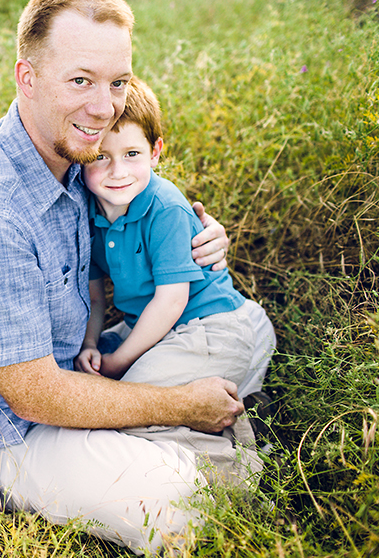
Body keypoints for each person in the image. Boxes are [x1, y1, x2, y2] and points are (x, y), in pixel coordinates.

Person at [0, 0, 275, 556]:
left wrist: (199, 235)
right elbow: (34, 396)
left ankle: (197, 436)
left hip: (77, 371)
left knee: (247, 347)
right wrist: (180, 403)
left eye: (118, 82)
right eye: (81, 81)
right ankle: (195, 437)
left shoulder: (73, 152)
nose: (104, 107)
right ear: (27, 77)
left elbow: (143, 204)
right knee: (189, 504)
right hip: (9, 432)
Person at [75, 76, 273, 482]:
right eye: (101, 157)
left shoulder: (164, 207)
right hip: (152, 329)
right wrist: (93, 344)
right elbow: (95, 300)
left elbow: (171, 301)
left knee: (130, 406)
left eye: (132, 153)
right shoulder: (89, 215)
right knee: (84, 387)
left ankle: (243, 465)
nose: (117, 171)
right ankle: (234, 408)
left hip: (208, 329)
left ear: (156, 151)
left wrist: (119, 361)